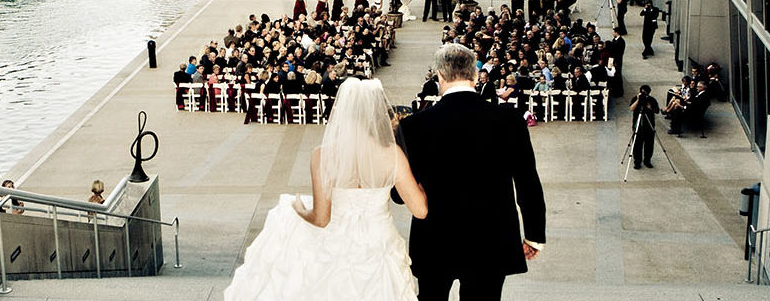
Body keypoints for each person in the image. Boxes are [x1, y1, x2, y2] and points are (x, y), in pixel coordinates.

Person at [223, 78, 427, 300]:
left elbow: (321, 218)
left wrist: (299, 210)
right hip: (379, 244)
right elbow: (420, 211)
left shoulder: (323, 155)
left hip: (336, 244)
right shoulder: (392, 155)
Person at [394, 44, 545, 301]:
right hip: (491, 238)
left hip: (435, 239)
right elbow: (527, 181)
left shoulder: (412, 126)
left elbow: (399, 196)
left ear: (439, 76)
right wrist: (534, 235)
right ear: (475, 76)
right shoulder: (508, 120)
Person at [629, 85, 661, 169]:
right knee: (637, 145)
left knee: (649, 144)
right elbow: (631, 108)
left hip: (649, 125)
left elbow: (657, 111)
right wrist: (638, 100)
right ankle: (637, 162)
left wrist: (650, 107)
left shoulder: (652, 100)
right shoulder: (635, 98)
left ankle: (647, 160)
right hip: (638, 125)